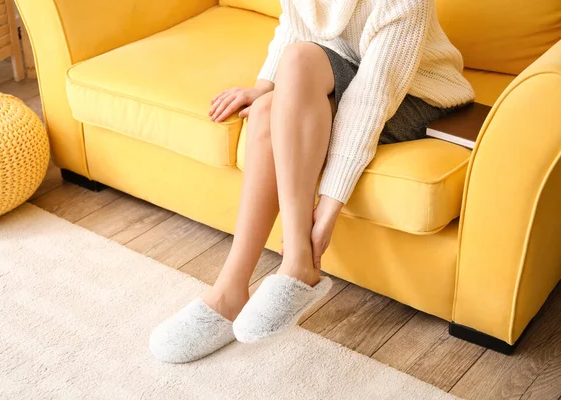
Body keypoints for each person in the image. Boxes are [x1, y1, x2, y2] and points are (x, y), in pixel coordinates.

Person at [149, 0, 475, 363]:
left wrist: (328, 209)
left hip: (418, 92)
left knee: (299, 65)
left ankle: (300, 264)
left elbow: (369, 101)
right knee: (266, 107)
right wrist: (263, 88)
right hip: (349, 68)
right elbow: (295, 26)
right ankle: (230, 290)